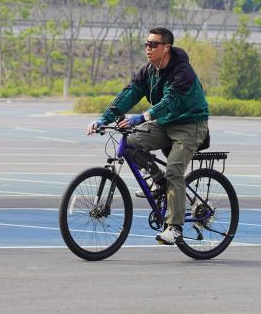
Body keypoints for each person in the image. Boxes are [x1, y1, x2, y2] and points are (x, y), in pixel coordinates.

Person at [87, 27, 209, 244]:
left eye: (153, 45)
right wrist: (102, 120)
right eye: (146, 44)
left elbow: (170, 100)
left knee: (174, 170)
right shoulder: (149, 71)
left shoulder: (183, 72)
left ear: (166, 48)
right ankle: (158, 181)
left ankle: (175, 228)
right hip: (165, 123)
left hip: (191, 125)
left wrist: (142, 117)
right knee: (131, 143)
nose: (148, 49)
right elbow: (129, 93)